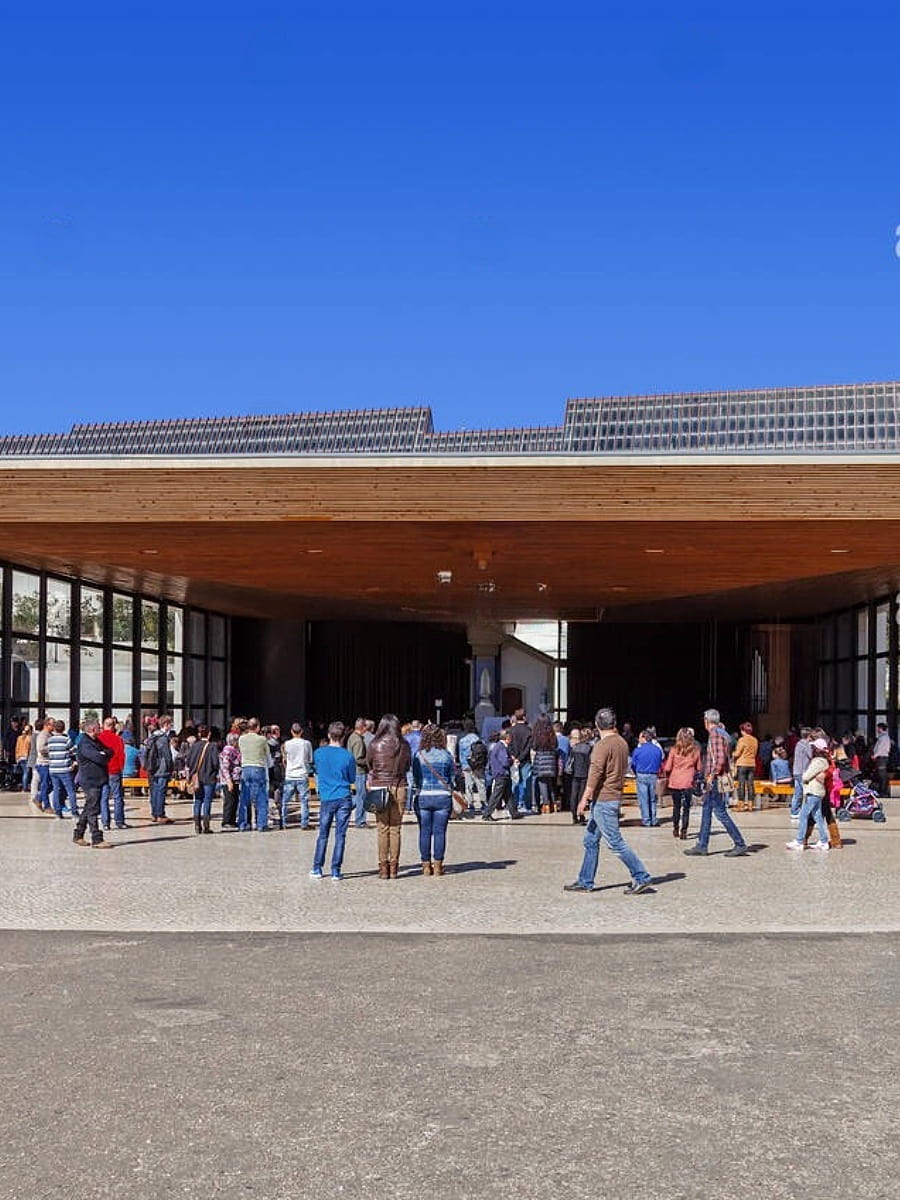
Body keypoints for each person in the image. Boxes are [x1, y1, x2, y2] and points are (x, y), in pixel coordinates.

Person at [563, 707, 653, 895]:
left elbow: (595, 774)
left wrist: (583, 799)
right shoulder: (621, 742)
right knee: (590, 839)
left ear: (597, 725)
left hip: (604, 799)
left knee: (615, 842)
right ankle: (585, 880)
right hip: (611, 797)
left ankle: (641, 875)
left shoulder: (602, 746)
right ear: (614, 723)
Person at [684, 709, 749, 858]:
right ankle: (702, 845)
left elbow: (719, 759)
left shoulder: (715, 734)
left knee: (720, 812)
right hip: (713, 779)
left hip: (714, 779)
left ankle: (739, 843)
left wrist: (711, 775)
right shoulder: (722, 733)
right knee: (706, 811)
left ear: (707, 720)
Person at [367, 713, 411, 879]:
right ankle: (394, 868)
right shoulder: (404, 744)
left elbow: (369, 763)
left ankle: (383, 868)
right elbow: (407, 766)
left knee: (382, 829)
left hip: (380, 787)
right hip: (399, 786)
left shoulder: (375, 744)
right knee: (396, 829)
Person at [310, 722, 356, 880]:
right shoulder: (348, 756)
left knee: (323, 834)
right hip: (343, 796)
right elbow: (352, 778)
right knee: (340, 835)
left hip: (327, 797)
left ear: (329, 735)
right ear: (343, 737)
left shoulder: (319, 753)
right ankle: (336, 870)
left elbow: (316, 770)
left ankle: (317, 867)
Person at [411, 723, 455, 874]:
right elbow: (451, 777)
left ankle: (425, 866)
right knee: (440, 832)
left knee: (424, 831)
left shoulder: (419, 755)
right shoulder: (447, 755)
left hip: (423, 795)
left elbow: (415, 777)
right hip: (442, 796)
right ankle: (438, 865)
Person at [73, 719, 114, 849]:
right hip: (90, 780)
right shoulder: (85, 743)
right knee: (93, 809)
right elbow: (98, 758)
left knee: (89, 807)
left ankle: (78, 834)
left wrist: (104, 753)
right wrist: (102, 755)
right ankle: (96, 838)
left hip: (99, 779)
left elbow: (110, 751)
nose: (101, 730)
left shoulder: (95, 741)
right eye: (99, 728)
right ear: (92, 730)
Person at [786, 737, 831, 852]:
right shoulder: (824, 761)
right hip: (818, 792)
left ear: (816, 749)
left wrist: (805, 775)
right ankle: (824, 841)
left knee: (803, 815)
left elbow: (806, 776)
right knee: (818, 816)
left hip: (813, 791)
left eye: (813, 747)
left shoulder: (818, 761)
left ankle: (799, 841)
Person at [664, 727, 702, 839]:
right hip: (688, 782)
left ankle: (675, 828)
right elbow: (699, 767)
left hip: (675, 781)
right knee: (686, 808)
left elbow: (667, 767)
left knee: (676, 807)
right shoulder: (696, 750)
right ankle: (684, 831)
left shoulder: (673, 750)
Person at [186, 724, 220, 834]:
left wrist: (193, 772)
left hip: (197, 777)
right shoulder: (212, 746)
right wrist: (215, 772)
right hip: (209, 777)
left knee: (198, 800)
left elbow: (189, 762)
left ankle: (197, 825)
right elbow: (215, 762)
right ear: (209, 734)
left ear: (199, 734)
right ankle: (206, 825)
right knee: (207, 801)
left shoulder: (194, 746)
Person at [238, 717, 270, 831]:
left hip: (245, 768)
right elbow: (267, 755)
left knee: (244, 797)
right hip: (258, 767)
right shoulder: (262, 740)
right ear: (258, 727)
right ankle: (261, 824)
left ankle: (243, 824)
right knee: (261, 797)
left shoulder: (241, 739)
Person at [281, 722, 314, 830]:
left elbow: (285, 759)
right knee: (304, 800)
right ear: (301, 732)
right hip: (302, 774)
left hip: (290, 774)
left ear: (291, 731)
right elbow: (310, 759)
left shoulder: (286, 744)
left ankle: (283, 822)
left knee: (285, 800)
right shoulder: (306, 743)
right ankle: (304, 823)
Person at [98, 716, 128, 830]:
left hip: (102, 771)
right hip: (115, 770)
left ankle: (106, 823)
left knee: (104, 797)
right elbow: (121, 755)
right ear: (113, 726)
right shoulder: (117, 739)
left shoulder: (98, 738)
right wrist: (121, 768)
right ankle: (119, 821)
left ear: (103, 725)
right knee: (117, 796)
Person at [482, 728, 519, 821]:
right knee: (496, 795)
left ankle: (514, 813)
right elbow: (505, 762)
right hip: (501, 774)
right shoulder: (501, 747)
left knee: (508, 795)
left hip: (501, 774)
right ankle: (487, 814)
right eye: (510, 738)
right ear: (507, 738)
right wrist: (512, 760)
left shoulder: (498, 746)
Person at [631, 728, 665, 827]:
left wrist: (636, 772)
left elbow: (633, 764)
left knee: (643, 799)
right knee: (652, 799)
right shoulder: (657, 750)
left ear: (644, 738)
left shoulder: (638, 750)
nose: (638, 739)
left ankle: (646, 820)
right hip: (653, 775)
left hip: (641, 775)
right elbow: (660, 762)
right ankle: (653, 819)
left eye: (640, 737)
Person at [144, 715, 175, 824]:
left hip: (152, 768)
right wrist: (171, 767)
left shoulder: (152, 736)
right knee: (161, 791)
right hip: (162, 768)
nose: (171, 726)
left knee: (154, 791)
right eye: (170, 724)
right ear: (166, 724)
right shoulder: (163, 738)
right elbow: (166, 756)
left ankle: (154, 814)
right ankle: (160, 814)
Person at [48, 719, 79, 818]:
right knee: (70, 791)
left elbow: (48, 752)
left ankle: (58, 812)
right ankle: (74, 811)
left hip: (53, 769)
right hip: (65, 769)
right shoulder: (66, 739)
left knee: (56, 790)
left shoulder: (50, 740)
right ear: (64, 728)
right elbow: (72, 751)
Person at [531, 715, 560, 813]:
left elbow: (534, 746)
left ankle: (546, 804)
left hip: (541, 759)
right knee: (550, 783)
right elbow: (556, 745)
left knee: (542, 782)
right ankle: (554, 803)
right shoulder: (552, 733)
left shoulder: (537, 734)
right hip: (551, 759)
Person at [508, 709, 534, 813]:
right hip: (525, 760)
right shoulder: (528, 730)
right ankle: (525, 804)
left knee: (514, 782)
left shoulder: (511, 730)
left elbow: (509, 745)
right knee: (525, 783)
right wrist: (521, 757)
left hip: (514, 760)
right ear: (524, 717)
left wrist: (514, 757)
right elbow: (528, 747)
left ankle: (514, 803)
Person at [346, 718, 370, 829]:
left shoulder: (352, 737)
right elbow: (358, 758)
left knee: (358, 796)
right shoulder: (358, 741)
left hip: (354, 770)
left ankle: (345, 808)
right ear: (363, 727)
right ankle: (360, 821)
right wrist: (369, 762)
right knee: (362, 796)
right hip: (359, 772)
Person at [733, 721, 759, 812]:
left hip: (742, 764)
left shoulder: (742, 740)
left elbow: (737, 753)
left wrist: (731, 754)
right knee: (750, 785)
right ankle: (751, 805)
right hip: (752, 764)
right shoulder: (755, 740)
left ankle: (741, 805)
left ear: (743, 730)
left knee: (741, 784)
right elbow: (755, 753)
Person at [219, 732, 242, 829]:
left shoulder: (235, 751)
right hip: (230, 780)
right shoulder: (228, 751)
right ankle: (226, 820)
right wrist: (228, 781)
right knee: (229, 801)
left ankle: (232, 820)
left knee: (234, 800)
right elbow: (225, 767)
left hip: (235, 779)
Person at [790, 728, 814, 821]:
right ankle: (805, 811)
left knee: (797, 792)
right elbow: (811, 755)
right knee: (807, 792)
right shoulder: (806, 744)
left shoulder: (798, 743)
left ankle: (794, 811)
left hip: (796, 771)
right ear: (809, 735)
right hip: (803, 772)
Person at [871, 723, 892, 797]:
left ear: (880, 728)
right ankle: (883, 790)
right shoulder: (883, 737)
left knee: (882, 775)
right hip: (881, 758)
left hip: (882, 758)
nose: (877, 730)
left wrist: (875, 755)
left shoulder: (884, 738)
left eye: (877, 728)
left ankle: (883, 792)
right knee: (881, 775)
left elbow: (881, 748)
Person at [15, 722, 32, 792]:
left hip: (19, 756)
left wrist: (17, 757)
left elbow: (17, 748)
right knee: (26, 772)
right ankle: (25, 787)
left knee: (24, 772)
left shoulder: (19, 738)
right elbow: (29, 749)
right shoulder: (29, 738)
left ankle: (24, 786)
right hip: (26, 756)